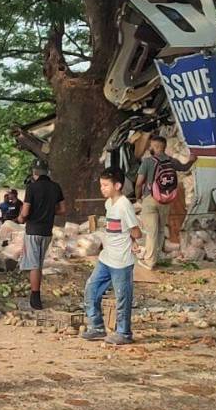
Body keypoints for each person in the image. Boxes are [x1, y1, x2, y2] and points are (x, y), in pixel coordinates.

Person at [81, 167, 141, 345]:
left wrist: (133, 239)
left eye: (106, 185)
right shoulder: (109, 204)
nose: (103, 189)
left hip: (121, 262)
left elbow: (136, 232)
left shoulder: (124, 206)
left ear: (118, 185)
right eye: (101, 185)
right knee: (91, 289)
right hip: (106, 258)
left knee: (122, 297)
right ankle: (97, 326)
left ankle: (124, 333)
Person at [134, 135, 197, 269]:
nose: (149, 147)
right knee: (161, 229)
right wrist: (191, 160)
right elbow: (185, 168)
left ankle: (149, 262)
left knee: (151, 231)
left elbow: (139, 183)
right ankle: (157, 256)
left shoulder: (147, 162)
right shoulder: (171, 161)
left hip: (150, 199)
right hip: (166, 199)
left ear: (156, 147)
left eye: (151, 145)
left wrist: (138, 197)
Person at [18, 162, 66, 310]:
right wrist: (50, 212)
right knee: (38, 263)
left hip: (33, 230)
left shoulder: (32, 187)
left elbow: (25, 212)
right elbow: (63, 209)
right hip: (47, 231)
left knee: (34, 265)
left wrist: (21, 218)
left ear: (34, 173)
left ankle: (35, 298)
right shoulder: (55, 187)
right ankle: (36, 295)